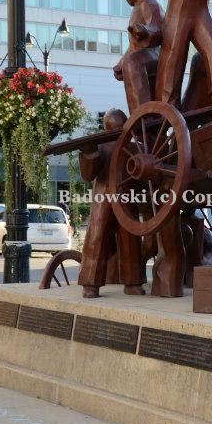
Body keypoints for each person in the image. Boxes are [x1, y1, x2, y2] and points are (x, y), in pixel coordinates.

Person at [78, 109, 146, 298]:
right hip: (115, 200)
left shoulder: (132, 147)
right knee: (103, 238)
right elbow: (88, 174)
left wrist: (89, 153)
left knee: (107, 240)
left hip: (114, 199)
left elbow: (87, 175)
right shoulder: (123, 147)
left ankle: (92, 285)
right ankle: (129, 284)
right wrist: (89, 152)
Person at [113, 0, 164, 112]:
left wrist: (144, 30)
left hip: (154, 54)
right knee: (130, 61)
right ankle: (146, 112)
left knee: (132, 62)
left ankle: (141, 113)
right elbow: (133, 47)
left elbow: (158, 26)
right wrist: (120, 63)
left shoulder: (149, 4)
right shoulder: (136, 10)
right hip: (143, 55)